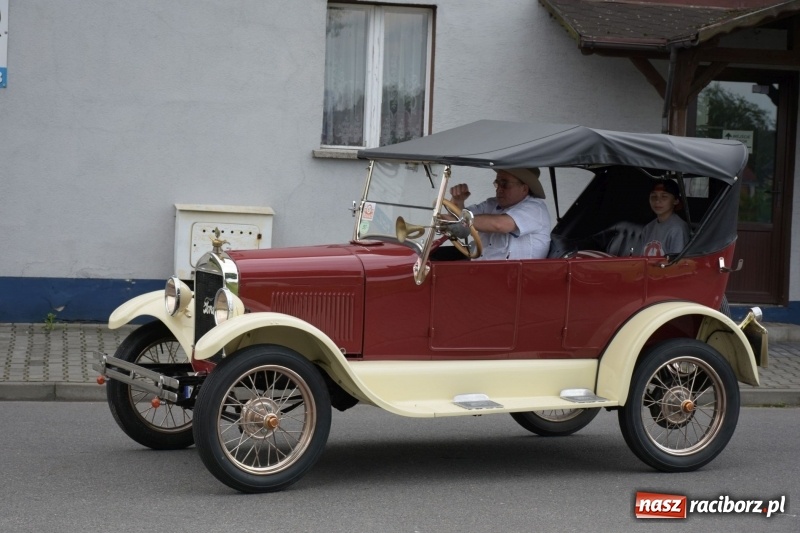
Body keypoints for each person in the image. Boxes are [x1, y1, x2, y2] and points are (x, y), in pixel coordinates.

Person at [448, 168, 551, 260]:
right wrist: (458, 201)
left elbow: (499, 225)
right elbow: (460, 218)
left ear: (524, 188)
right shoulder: (492, 204)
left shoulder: (535, 208)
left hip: (516, 277)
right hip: (484, 272)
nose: (499, 189)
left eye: (505, 184)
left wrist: (460, 220)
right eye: (497, 183)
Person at [641, 179, 690, 257]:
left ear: (676, 200)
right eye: (654, 196)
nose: (657, 201)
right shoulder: (648, 228)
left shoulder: (678, 229)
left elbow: (676, 265)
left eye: (664, 196)